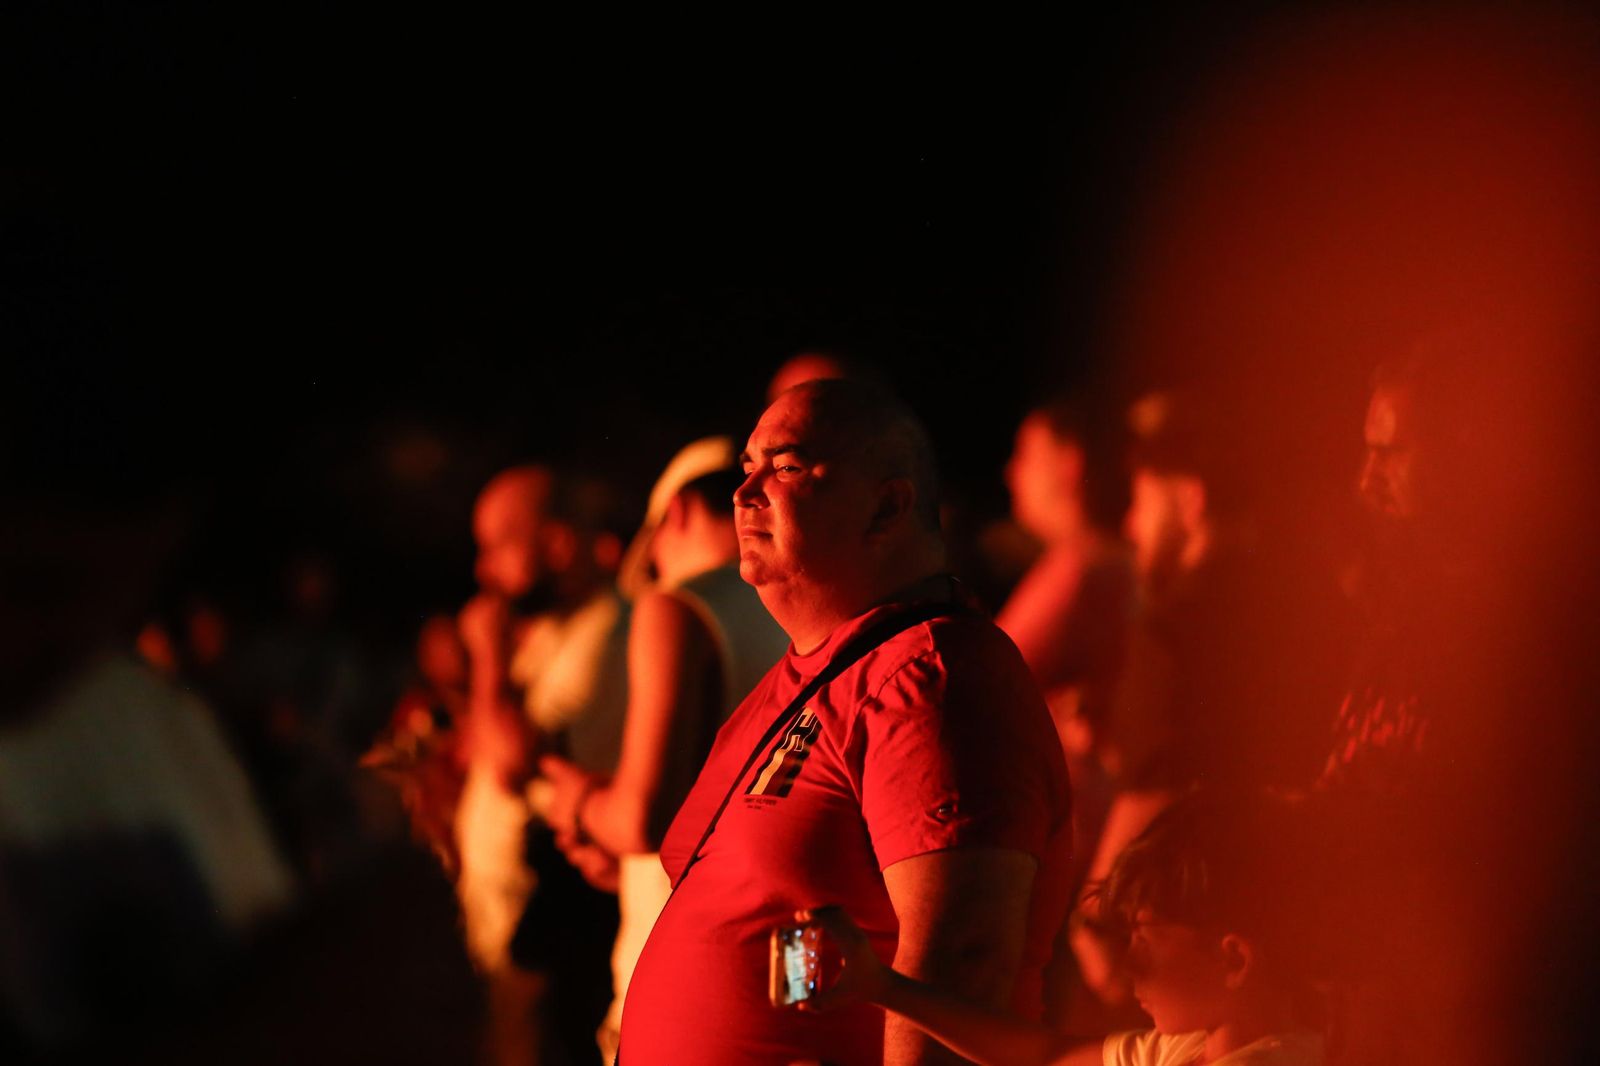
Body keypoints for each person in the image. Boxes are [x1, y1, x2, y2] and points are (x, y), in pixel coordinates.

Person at [619, 379, 1073, 1065]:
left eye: (789, 467)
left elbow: (962, 965)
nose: (745, 494)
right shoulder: (808, 674)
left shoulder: (934, 676)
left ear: (888, 507)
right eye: (747, 468)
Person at [537, 437, 791, 1064]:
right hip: (780, 981)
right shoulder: (807, 606)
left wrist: (579, 804)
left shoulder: (676, 609)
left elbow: (640, 818)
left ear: (675, 514)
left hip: (676, 983)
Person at [794, 790, 1327, 1066]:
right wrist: (882, 986)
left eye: (1143, 935)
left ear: (1233, 960)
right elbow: (1046, 1056)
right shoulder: (1189, 1049)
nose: (1126, 961)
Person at [454, 463, 630, 1066]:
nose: (484, 570)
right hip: (513, 932)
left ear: (556, 543)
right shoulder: (558, 631)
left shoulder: (609, 634)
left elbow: (510, 762)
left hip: (553, 936)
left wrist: (486, 656)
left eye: (496, 547)